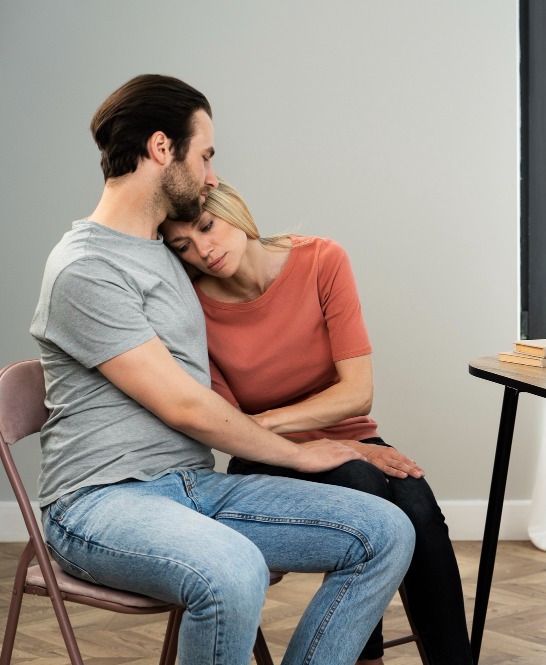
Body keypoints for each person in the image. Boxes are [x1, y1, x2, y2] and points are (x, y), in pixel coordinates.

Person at [29, 74, 415, 665]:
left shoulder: (170, 255)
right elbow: (184, 405)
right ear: (162, 148)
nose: (211, 176)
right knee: (233, 571)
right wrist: (299, 455)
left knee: (387, 533)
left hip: (193, 486)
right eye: (205, 155)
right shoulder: (85, 268)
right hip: (100, 502)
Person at [159, 179, 473, 665]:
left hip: (345, 438)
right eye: (183, 246)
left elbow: (357, 393)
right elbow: (231, 425)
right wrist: (341, 449)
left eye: (207, 227)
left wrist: (345, 444)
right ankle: (363, 659)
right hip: (264, 458)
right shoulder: (193, 307)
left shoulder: (322, 260)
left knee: (419, 507)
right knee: (363, 484)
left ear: (234, 210)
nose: (203, 250)